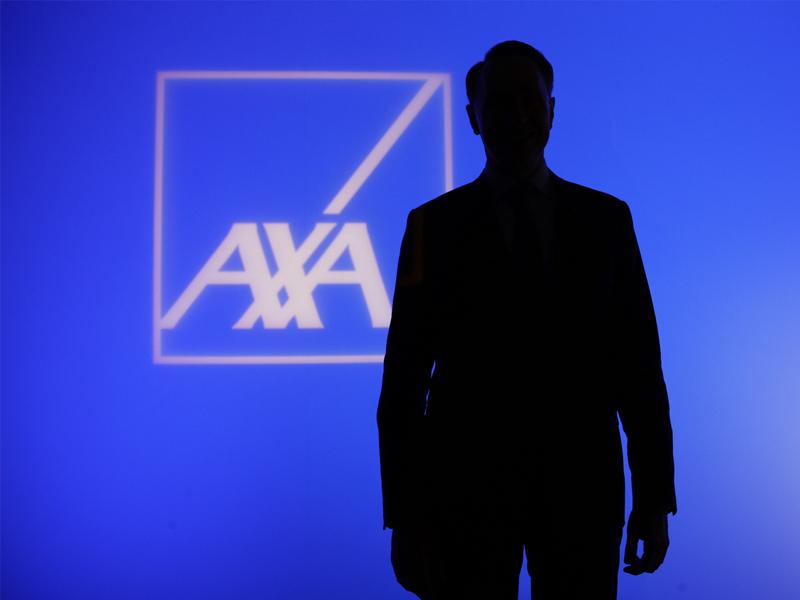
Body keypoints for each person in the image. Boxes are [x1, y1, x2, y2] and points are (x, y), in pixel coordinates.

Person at [376, 40, 677, 600]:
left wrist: (655, 497)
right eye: (499, 103)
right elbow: (403, 383)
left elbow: (638, 368)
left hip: (582, 488)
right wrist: (406, 517)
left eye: (529, 102)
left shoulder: (607, 222)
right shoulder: (431, 228)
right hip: (464, 492)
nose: (516, 117)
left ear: (552, 111)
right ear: (473, 117)